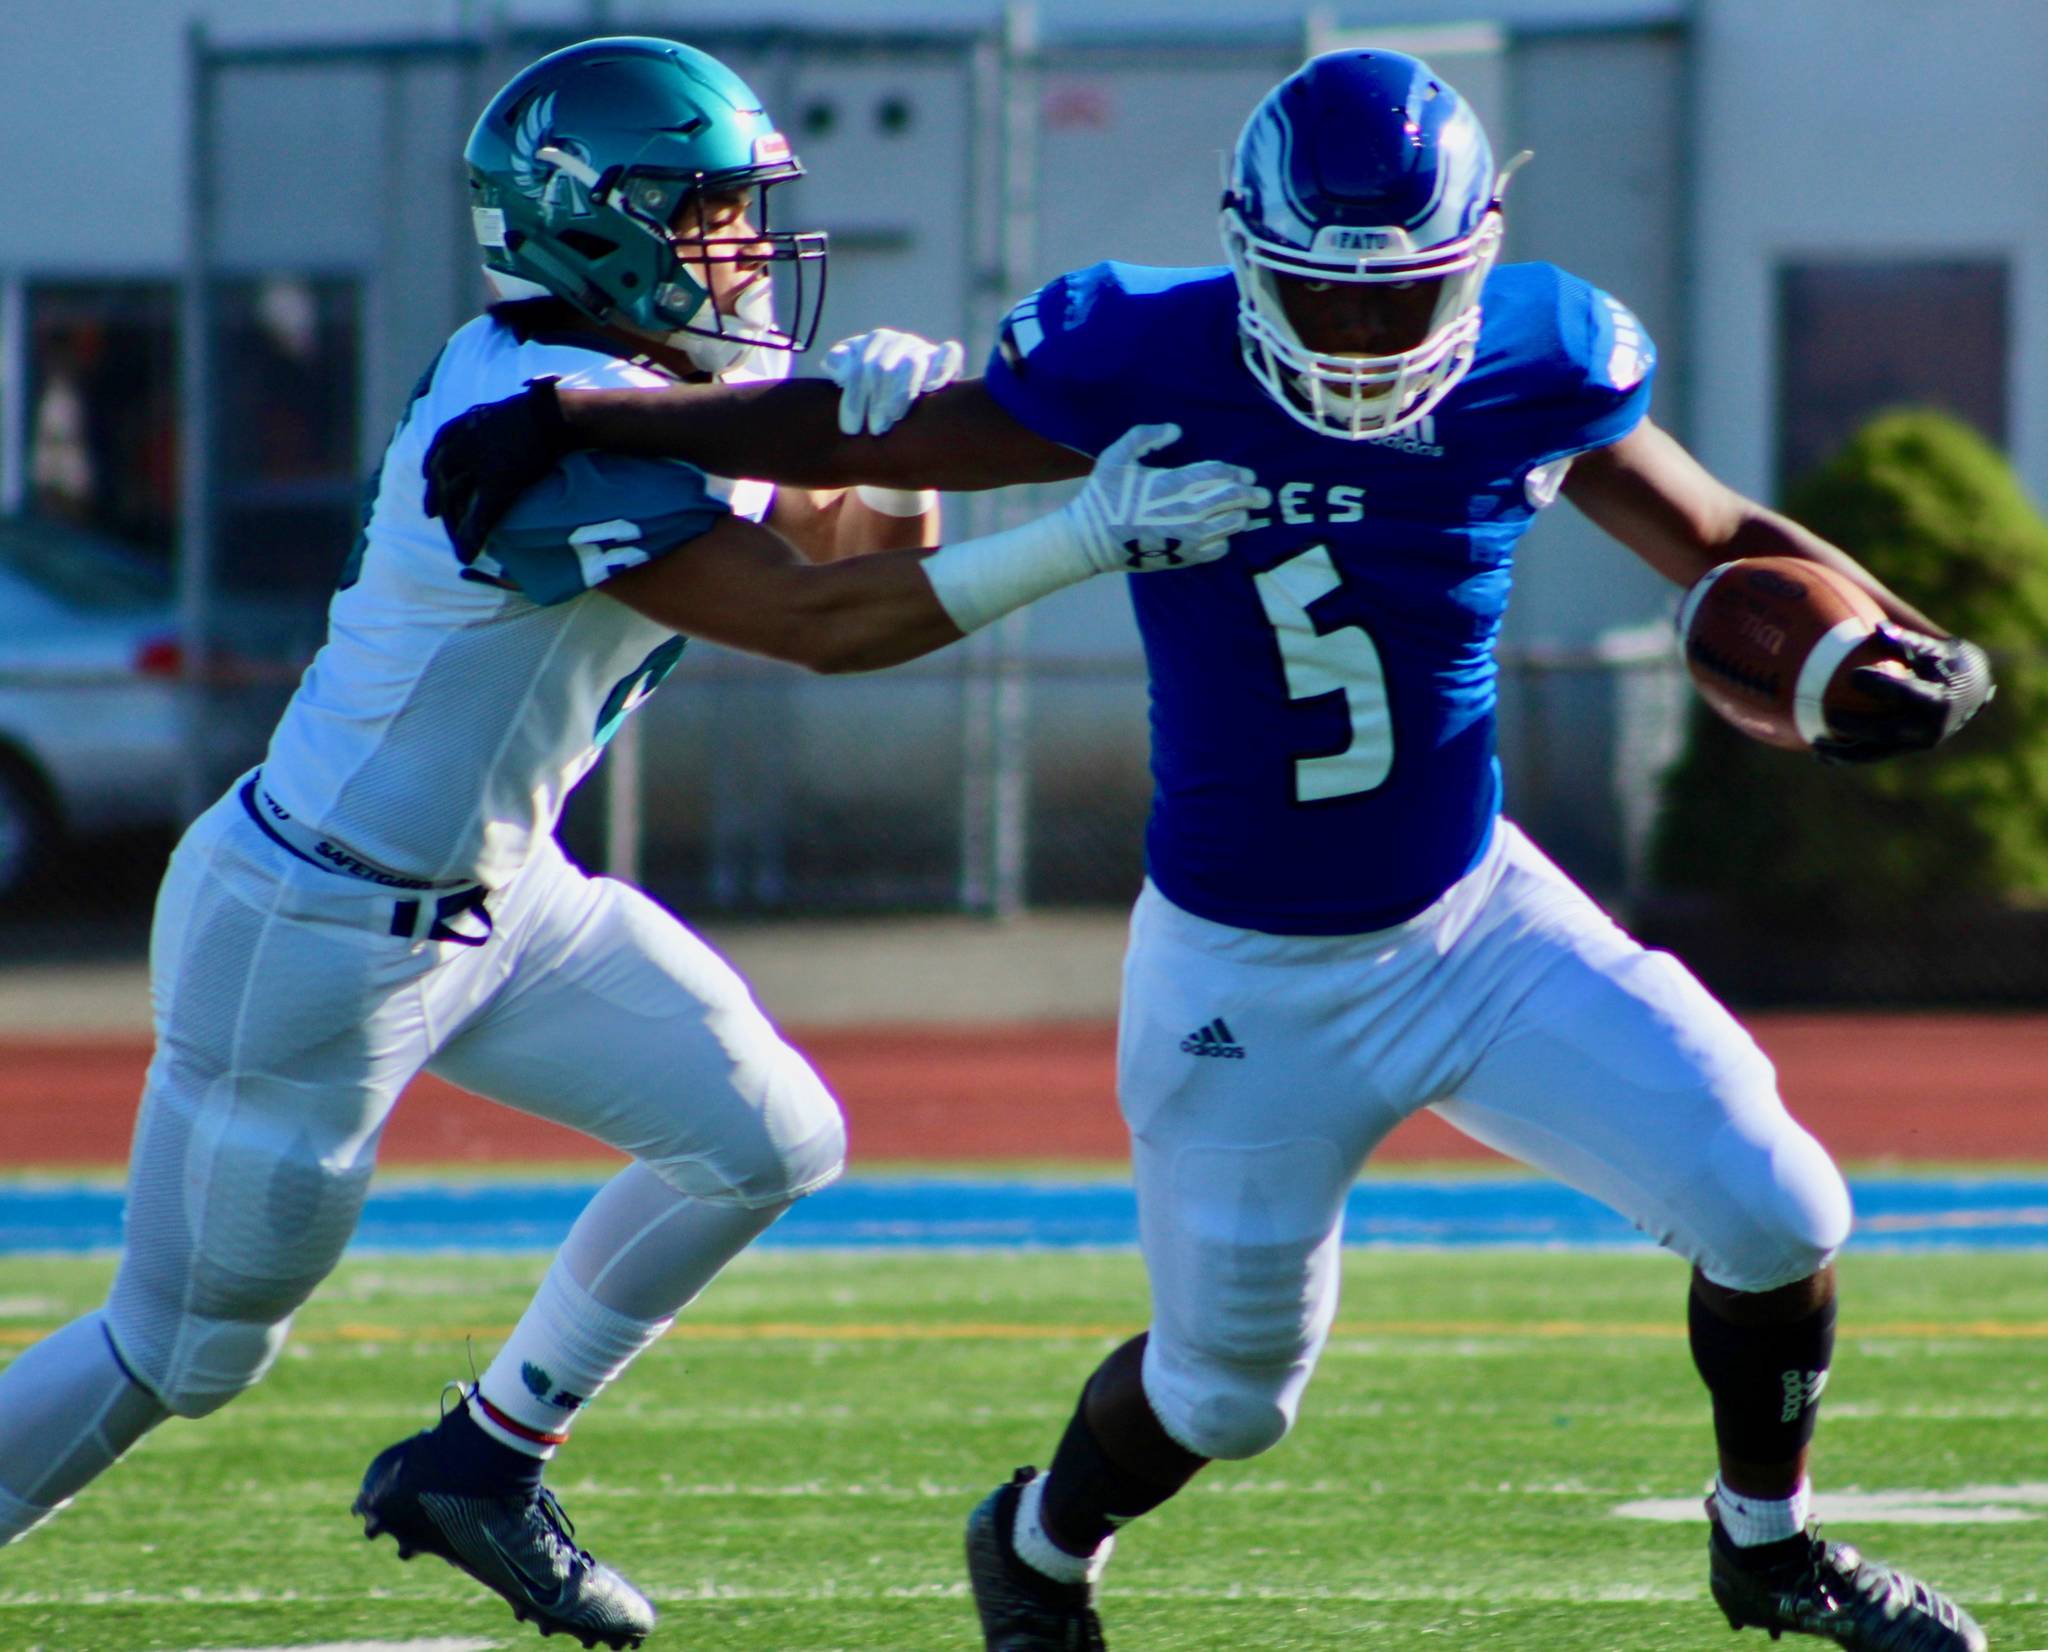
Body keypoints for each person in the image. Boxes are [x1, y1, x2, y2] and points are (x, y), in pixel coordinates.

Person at [417, 47, 1998, 1652]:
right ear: (1249, 252)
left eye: (1409, 296)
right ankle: (1038, 1542)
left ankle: (1769, 1548)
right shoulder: (1145, 351)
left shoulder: (1544, 357)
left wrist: (1925, 646)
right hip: (1244, 979)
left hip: (1476, 923)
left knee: (1781, 1207)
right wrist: (588, 408)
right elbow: (882, 445)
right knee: (1225, 1399)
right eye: (1327, 298)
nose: (1369, 338)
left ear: (1487, 250)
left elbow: (1722, 538)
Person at [0, 36, 1262, 1652]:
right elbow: (818, 627)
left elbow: (852, 544)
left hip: (505, 902)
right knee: (183, 1353)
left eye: (743, 208)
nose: (745, 244)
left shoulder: (647, 383)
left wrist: (884, 439)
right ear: (588, 221)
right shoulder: (531, 419)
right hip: (314, 934)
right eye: (708, 212)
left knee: (770, 1138)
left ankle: (488, 1456)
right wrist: (1082, 538)